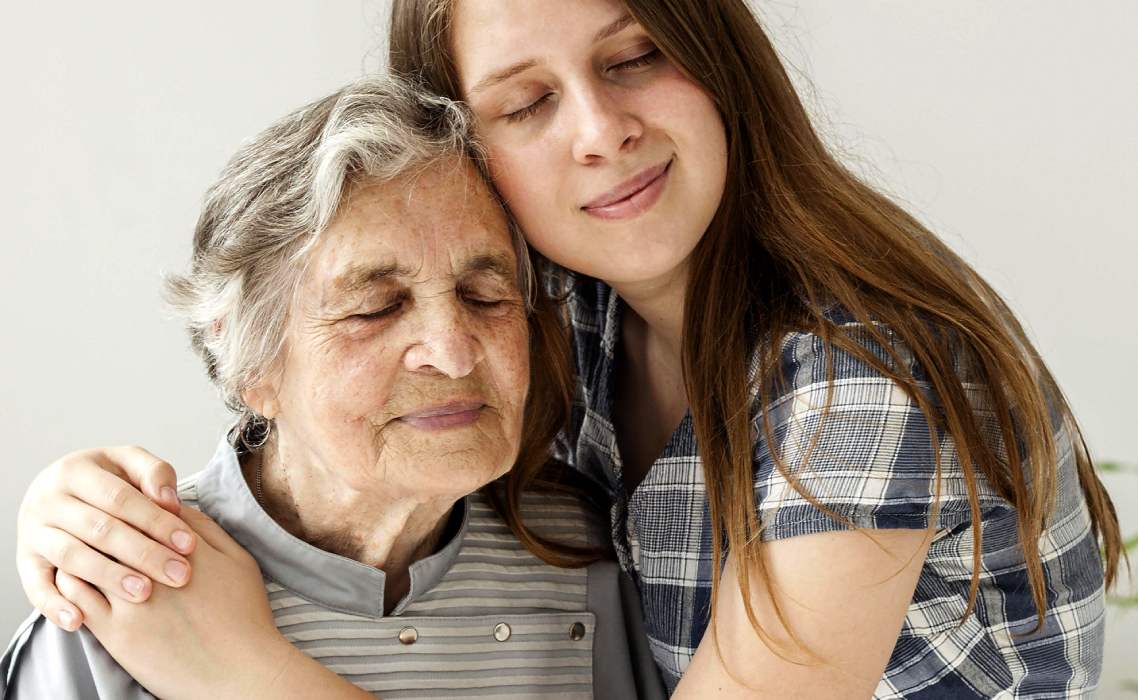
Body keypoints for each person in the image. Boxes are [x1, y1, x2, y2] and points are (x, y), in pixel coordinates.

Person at [11, 0, 1123, 697]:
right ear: (468, 158)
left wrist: (241, 671)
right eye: (527, 101)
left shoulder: (853, 385)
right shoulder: (567, 320)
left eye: (636, 56)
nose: (599, 131)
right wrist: (78, 509)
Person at [1, 76, 665, 700]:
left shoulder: (583, 551)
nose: (454, 351)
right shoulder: (120, 586)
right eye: (375, 309)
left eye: (484, 295)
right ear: (252, 363)